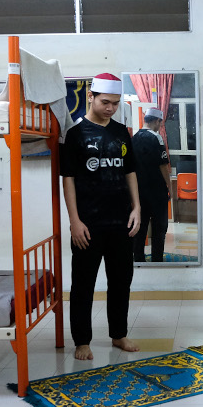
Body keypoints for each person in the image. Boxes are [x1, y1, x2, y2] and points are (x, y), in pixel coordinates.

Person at [61, 73, 141, 360]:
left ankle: (118, 334)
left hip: (120, 221)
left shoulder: (122, 132)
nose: (110, 108)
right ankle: (82, 341)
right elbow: (68, 179)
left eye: (115, 104)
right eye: (105, 102)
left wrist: (137, 207)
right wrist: (74, 220)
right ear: (91, 97)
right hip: (89, 223)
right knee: (83, 284)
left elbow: (129, 171)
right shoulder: (75, 134)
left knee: (121, 280)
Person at [132, 106, 171, 263]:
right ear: (157, 121)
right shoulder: (156, 137)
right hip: (157, 193)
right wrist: (169, 187)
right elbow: (163, 166)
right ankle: (157, 259)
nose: (160, 126)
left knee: (139, 228)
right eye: (160, 123)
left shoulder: (133, 137)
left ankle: (138, 259)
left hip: (139, 192)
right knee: (159, 228)